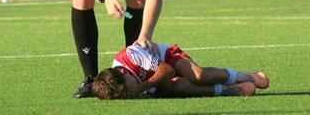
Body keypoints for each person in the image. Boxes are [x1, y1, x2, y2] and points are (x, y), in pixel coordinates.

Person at [92, 43, 270, 99]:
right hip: (159, 80)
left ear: (124, 73)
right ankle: (227, 90)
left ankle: (242, 76)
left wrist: (141, 87)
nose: (128, 93)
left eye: (127, 89)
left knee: (198, 75)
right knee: (176, 86)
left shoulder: (131, 55)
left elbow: (167, 70)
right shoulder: (118, 84)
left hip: (167, 58)